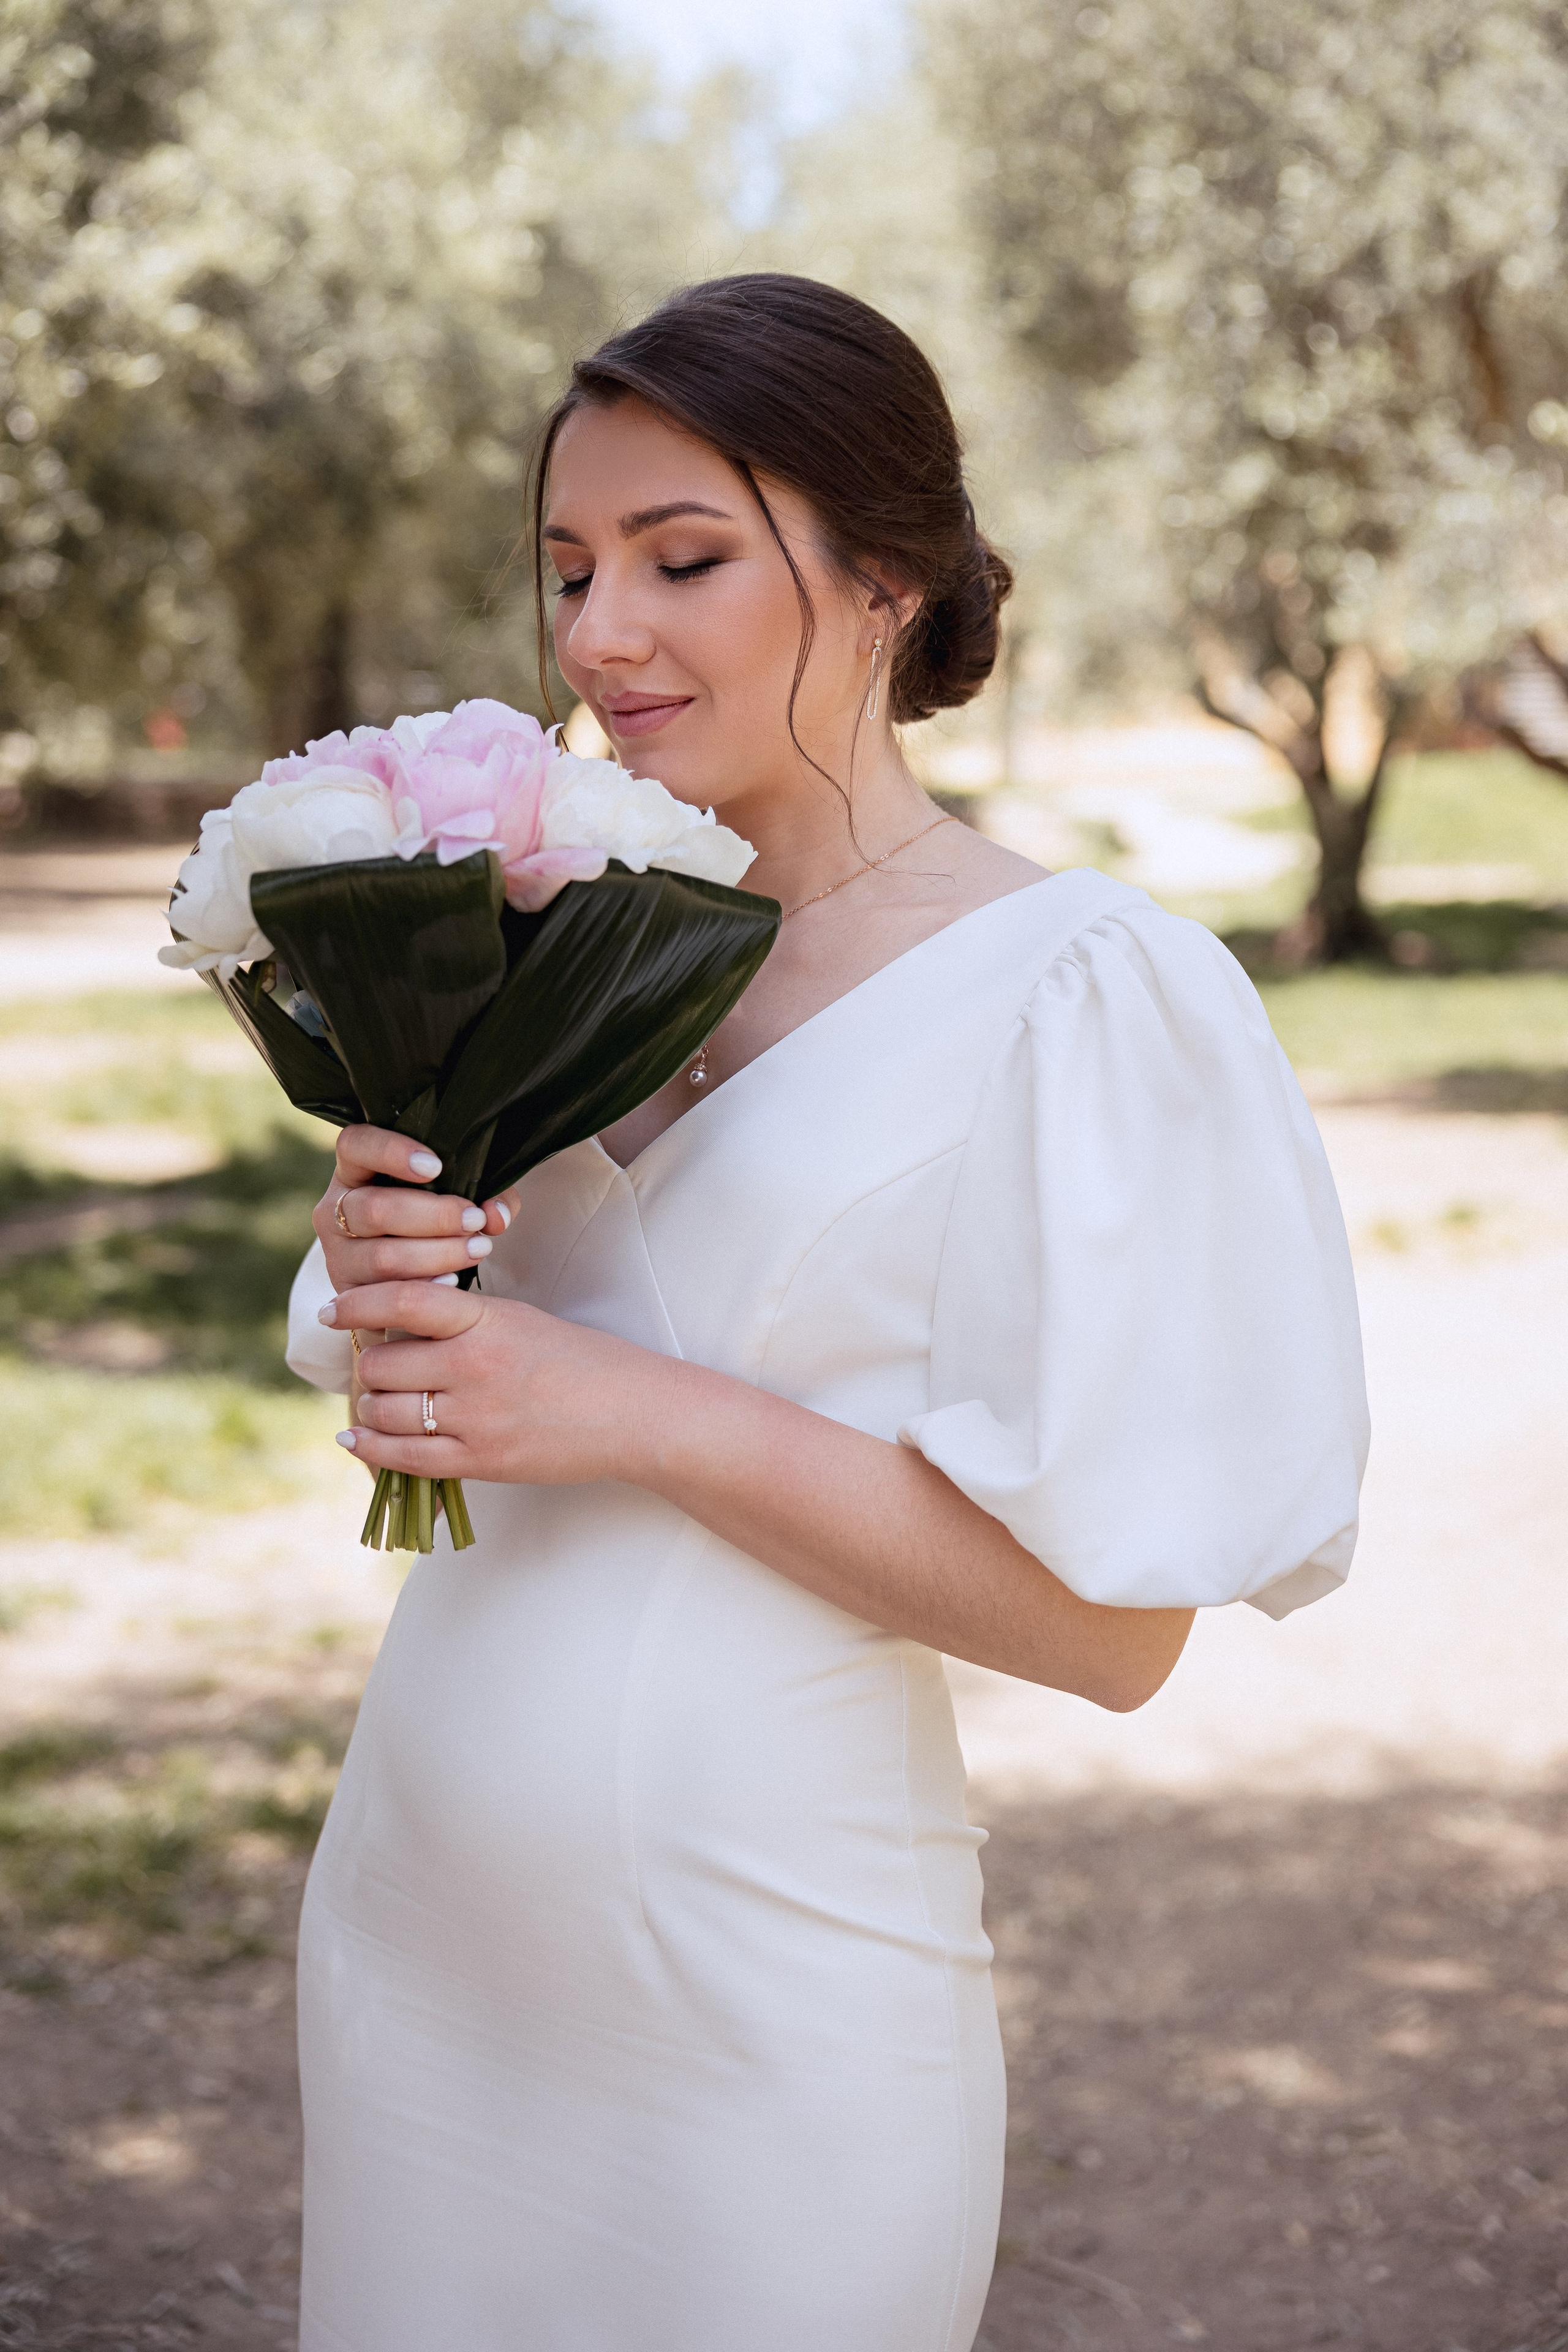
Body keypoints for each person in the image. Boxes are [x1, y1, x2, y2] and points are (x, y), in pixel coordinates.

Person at [284, 273, 1368, 2351]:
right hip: (420, 1941)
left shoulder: (1082, 990)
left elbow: (1114, 1637)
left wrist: (627, 1412)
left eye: (685, 560)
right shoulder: (519, 931)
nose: (602, 636)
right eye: (572, 568)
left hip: (763, 1998)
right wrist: (383, 1257)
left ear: (888, 580)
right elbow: (398, 1376)